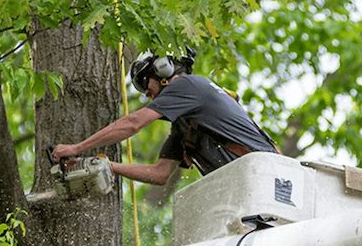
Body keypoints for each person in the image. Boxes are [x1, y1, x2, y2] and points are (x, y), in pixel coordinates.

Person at [52, 49, 279, 185]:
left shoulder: (189, 85)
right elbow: (160, 174)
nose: (148, 94)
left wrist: (77, 148)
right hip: (246, 180)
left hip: (268, 174)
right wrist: (108, 166)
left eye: (145, 83)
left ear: (162, 71)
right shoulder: (186, 126)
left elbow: (133, 123)